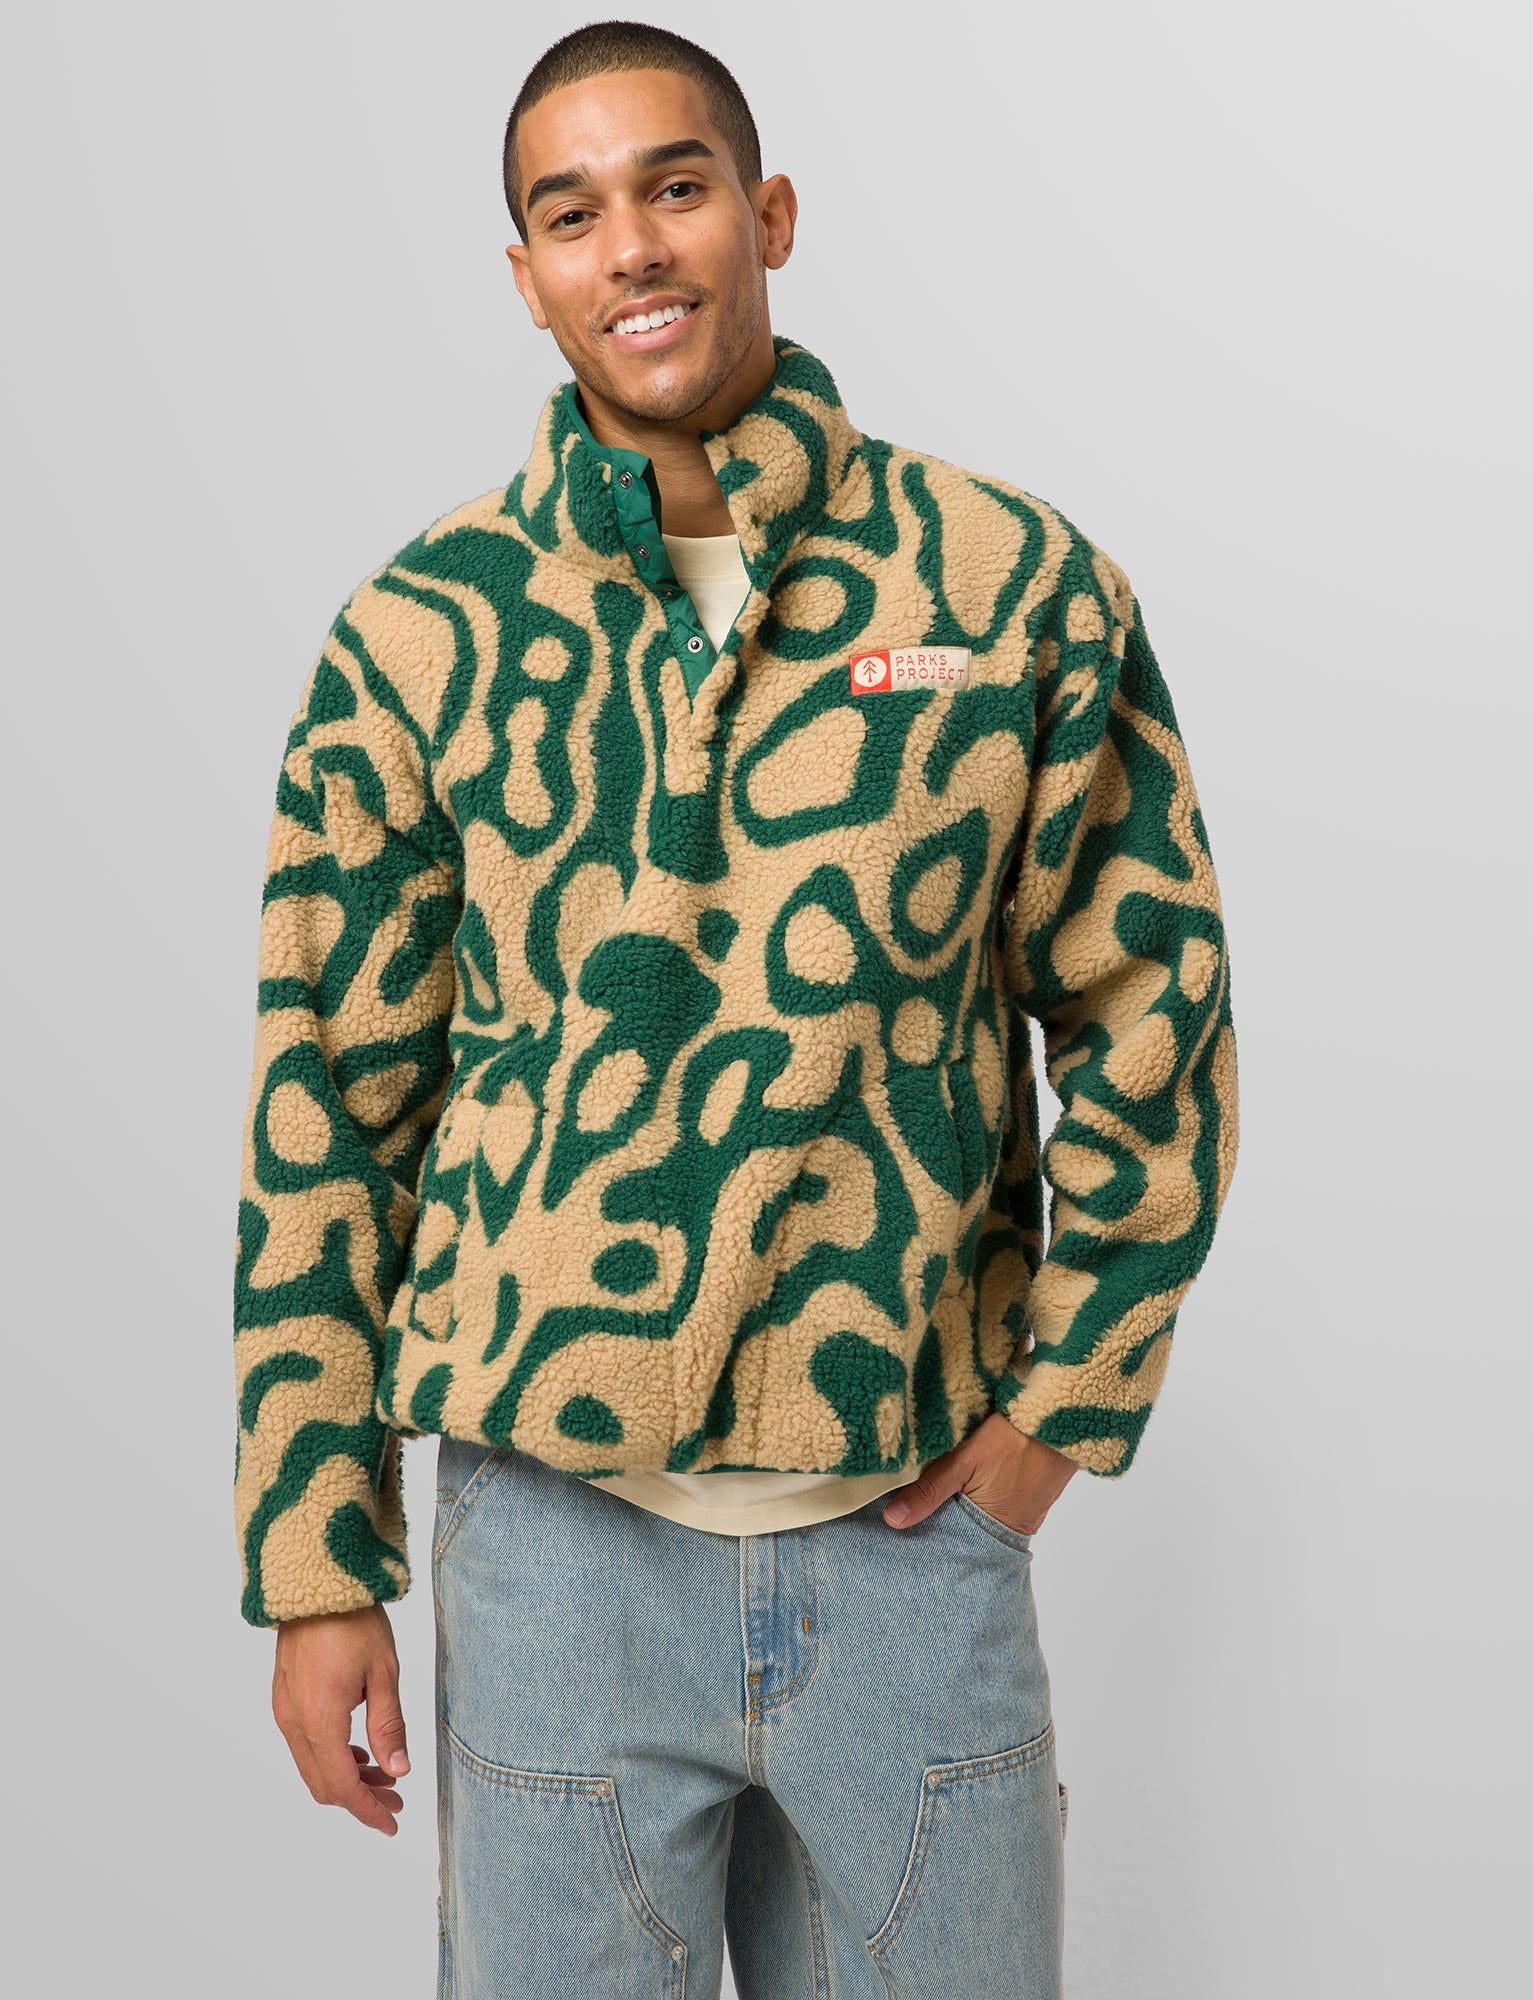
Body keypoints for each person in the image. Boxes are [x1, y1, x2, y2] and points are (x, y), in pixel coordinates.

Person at [231, 19, 1239, 1996]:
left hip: (907, 1545)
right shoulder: (419, 633)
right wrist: (313, 1561)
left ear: (767, 216)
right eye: (571, 213)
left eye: (675, 188)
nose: (631, 246)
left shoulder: (1009, 586)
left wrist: (1055, 1419)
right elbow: (326, 1110)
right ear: (524, 273)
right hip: (553, 1555)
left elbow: (1157, 1016)